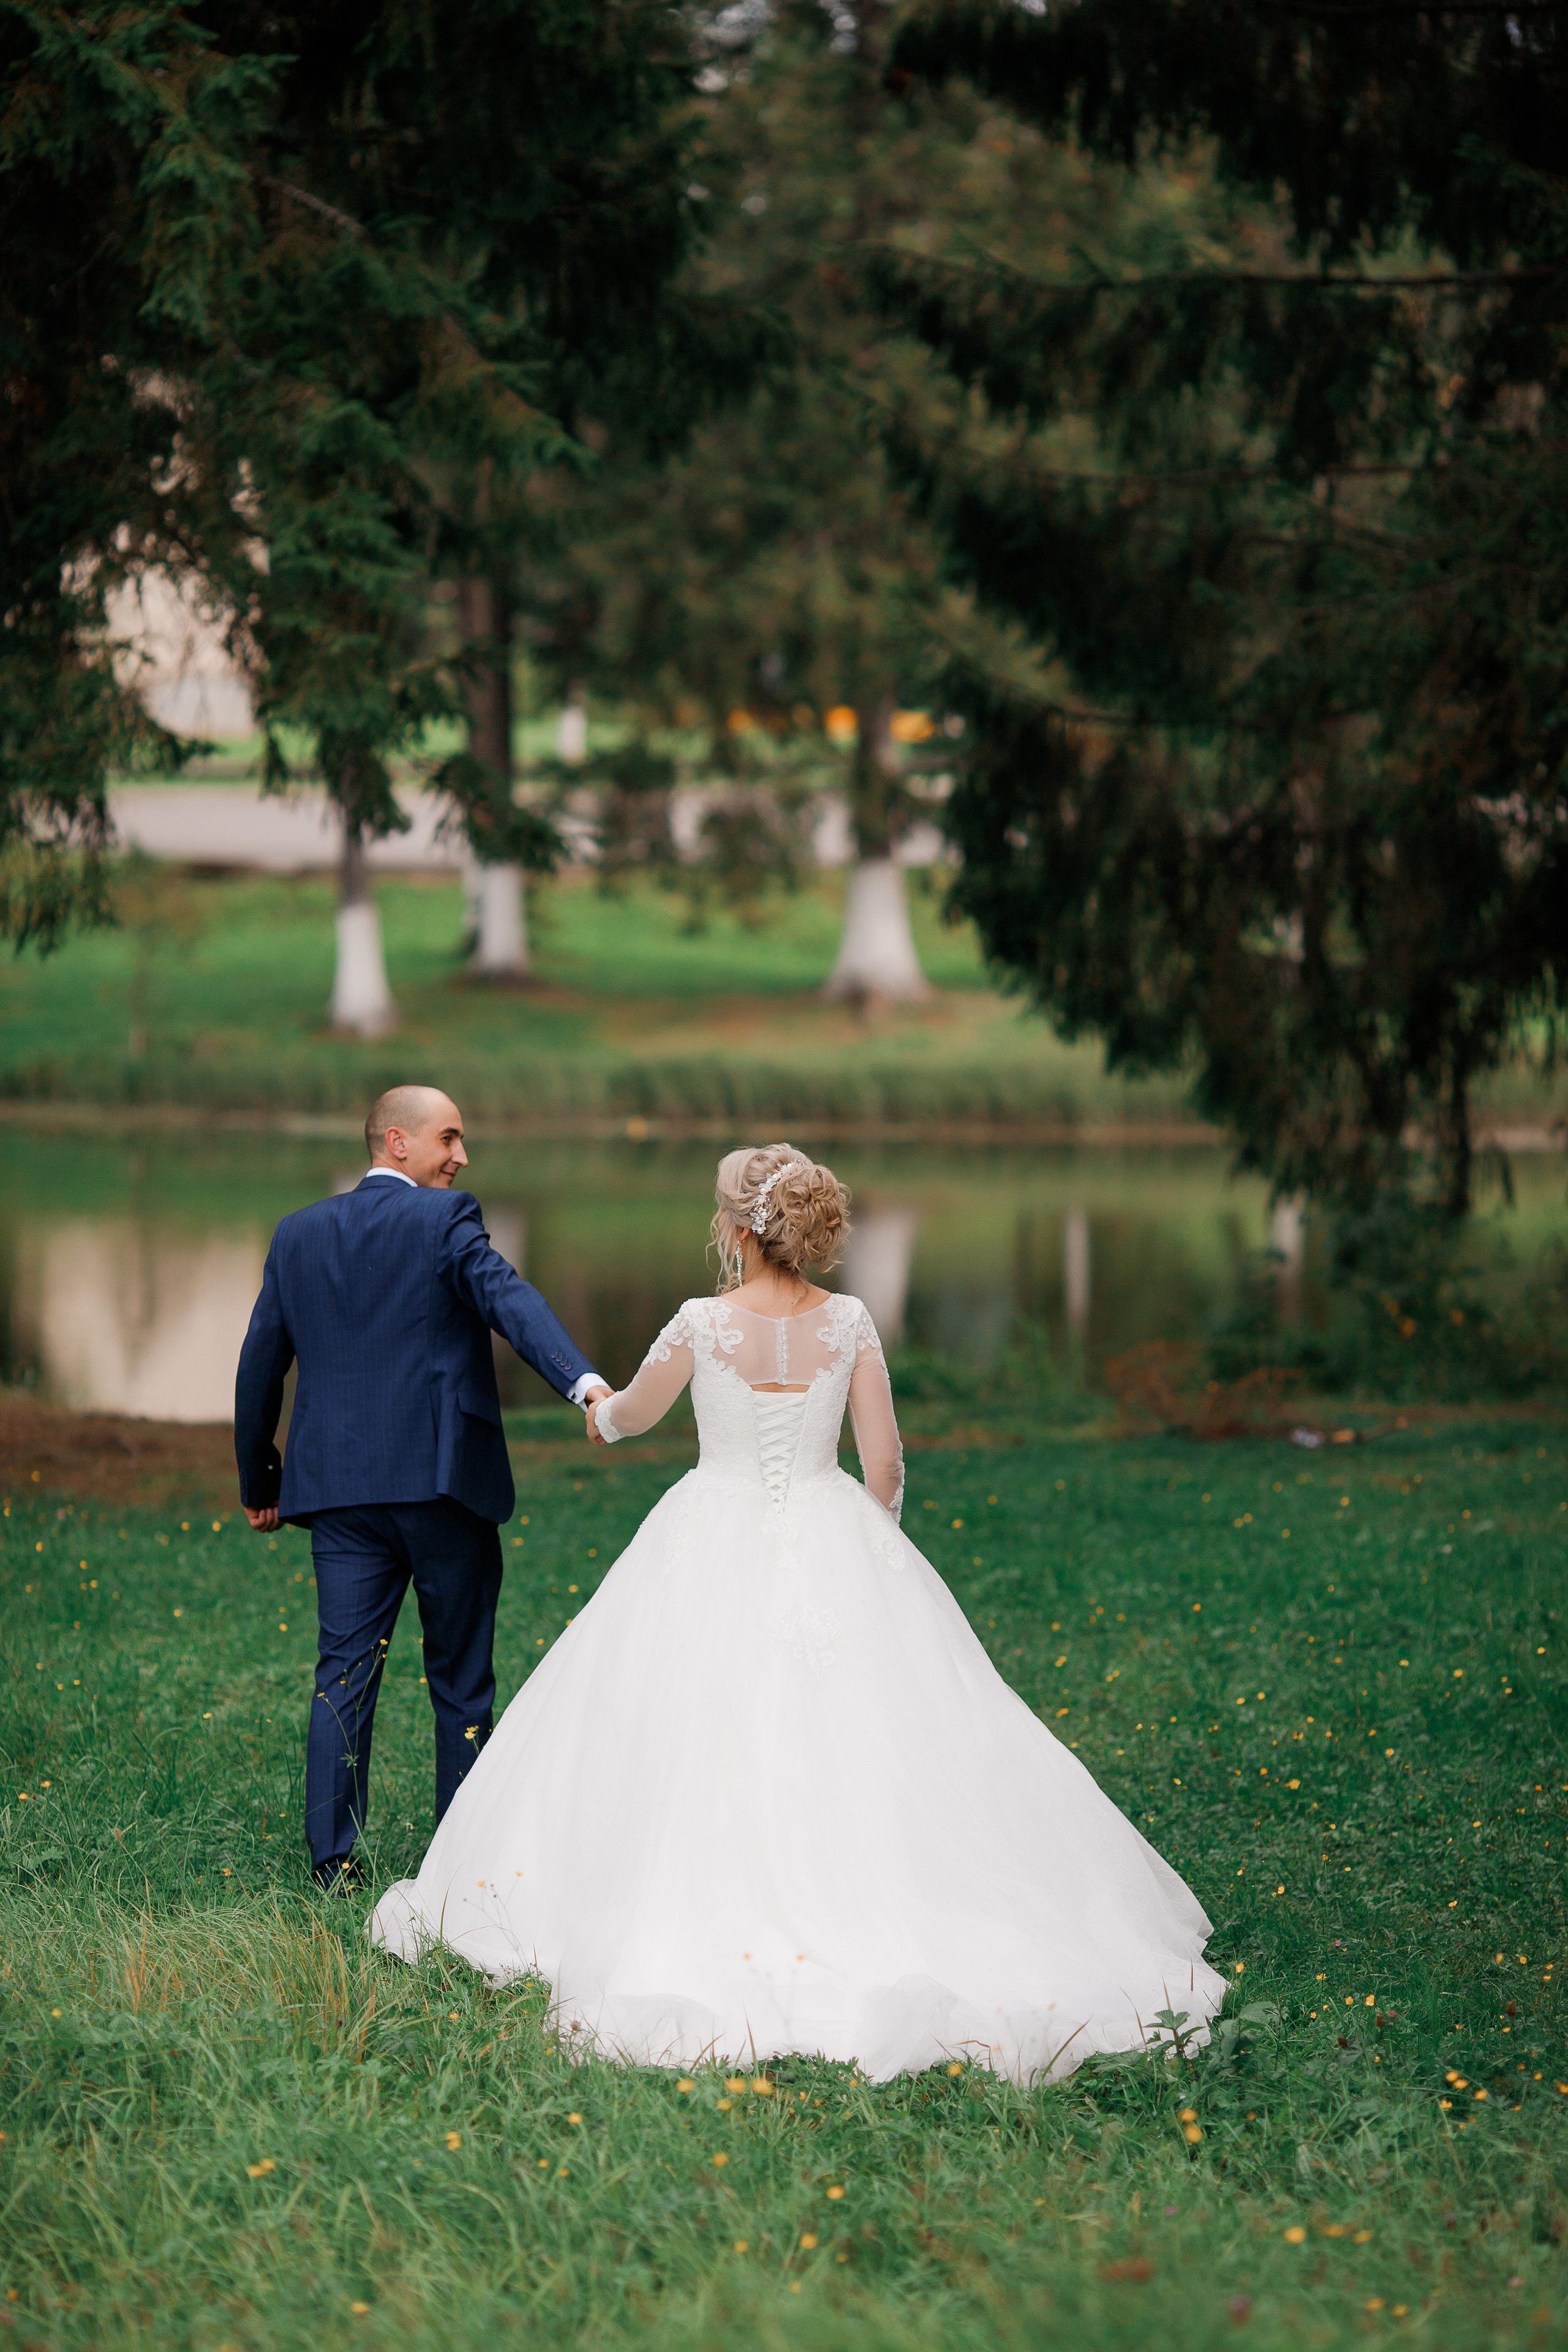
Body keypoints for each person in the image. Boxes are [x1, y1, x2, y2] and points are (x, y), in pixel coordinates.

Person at [369, 1142, 1225, 2081]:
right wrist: (875, 1547)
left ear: (736, 1228)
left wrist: (600, 1412)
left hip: (712, 1521)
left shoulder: (702, 1321)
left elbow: (635, 1416)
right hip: (829, 1520)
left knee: (671, 1716)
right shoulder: (850, 1321)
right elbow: (884, 1461)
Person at [233, 1085, 609, 1892]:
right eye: (450, 1138)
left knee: (342, 1675)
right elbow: (509, 1299)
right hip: (443, 1485)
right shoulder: (447, 1219)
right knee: (461, 1679)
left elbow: (260, 1360)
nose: (462, 1157)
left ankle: (332, 1865)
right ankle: (460, 1865)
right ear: (397, 1143)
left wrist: (260, 1477)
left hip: (337, 1490)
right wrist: (583, 1384)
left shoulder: (298, 1233)